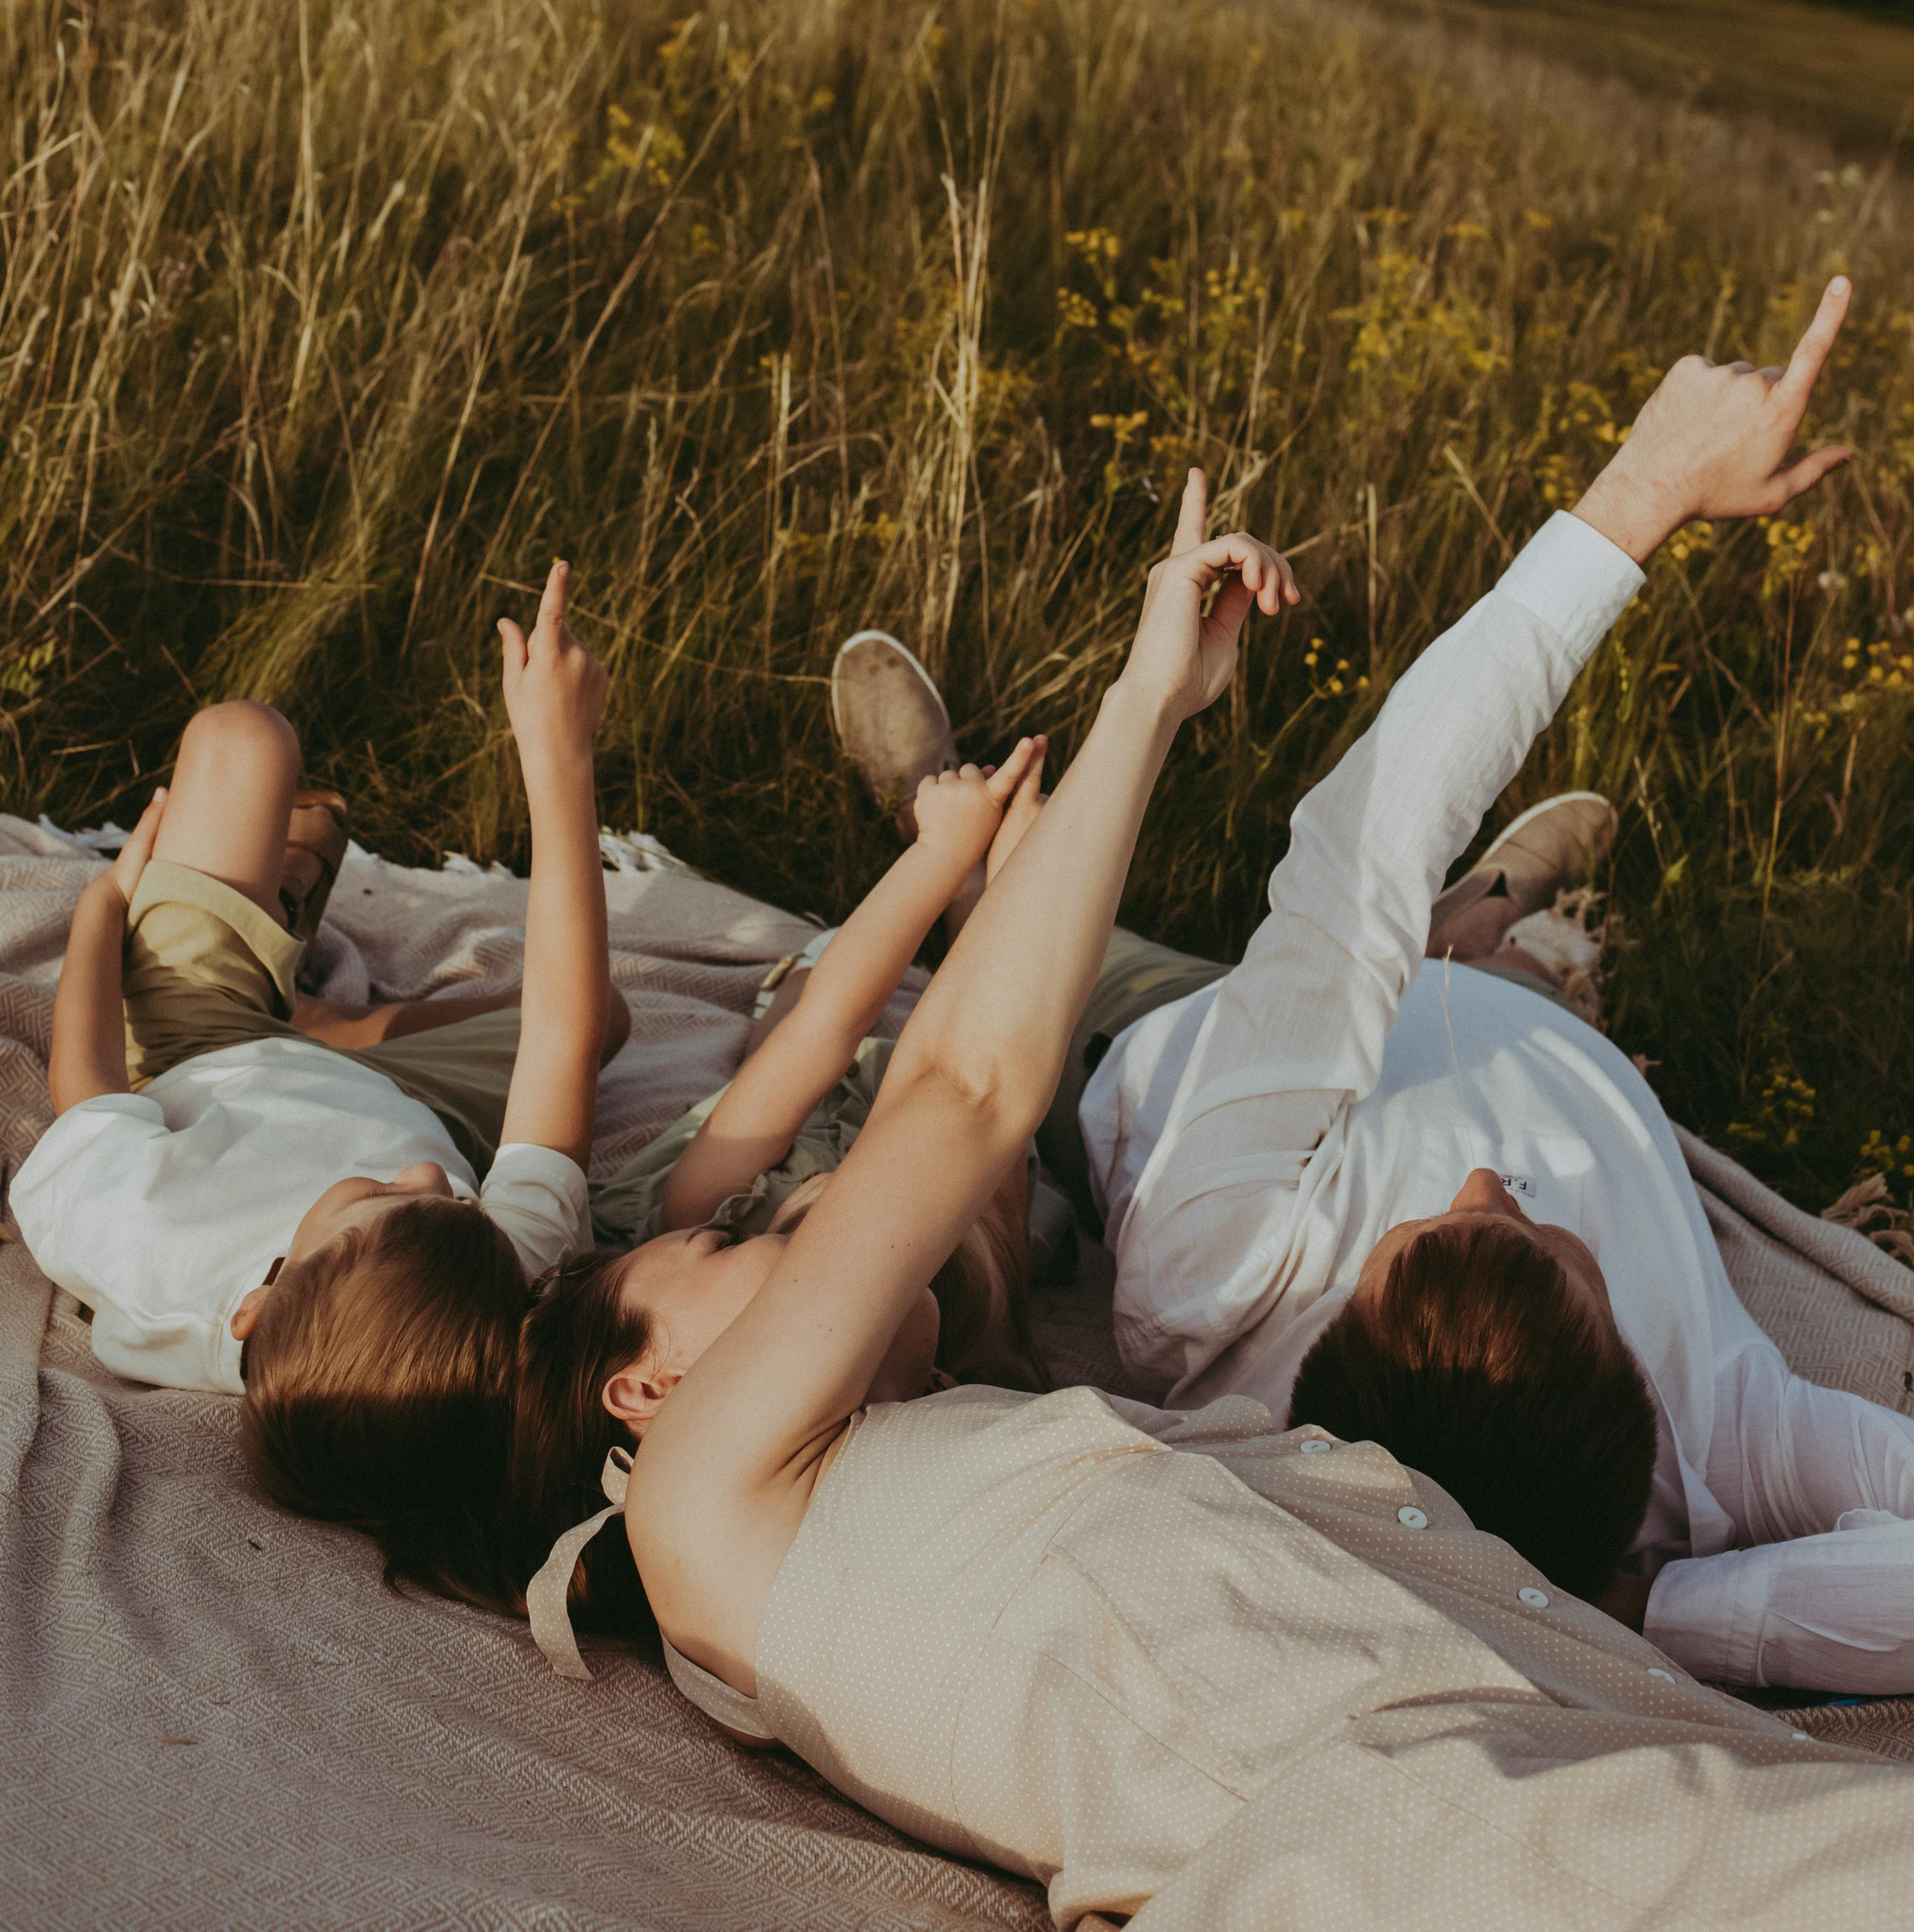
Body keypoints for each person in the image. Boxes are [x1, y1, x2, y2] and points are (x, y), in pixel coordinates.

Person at [521, 362, 1914, 1928]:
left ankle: (994, 844)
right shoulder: (705, 1494)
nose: (773, 1229)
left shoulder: (941, 1431)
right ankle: (1405, 914)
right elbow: (962, 1090)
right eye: (716, 1247)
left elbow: (975, 1098)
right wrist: (1146, 697)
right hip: (1397, 1815)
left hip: (1460, 1742)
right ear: (647, 1393)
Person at [1074, 277, 1914, 1694]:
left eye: (1427, 1239)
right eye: (1534, 1241)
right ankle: (1502, 926)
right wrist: (1679, 1612)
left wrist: (1640, 492)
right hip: (1497, 1025)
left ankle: (946, 835)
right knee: (1467, 961)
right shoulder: (1715, 1430)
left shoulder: (1208, 1290)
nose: (1480, 1181)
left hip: (1206, 1041)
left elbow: (1357, 855)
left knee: (1047, 940)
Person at [10, 559, 622, 1596]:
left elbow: (90, 1087)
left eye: (383, 1201)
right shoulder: (477, 1293)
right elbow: (563, 1035)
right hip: (407, 1091)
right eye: (454, 1207)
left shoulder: (157, 1255)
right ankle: (336, 1019)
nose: (430, 1183)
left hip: (214, 1052)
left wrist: (98, 920)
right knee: (605, 1017)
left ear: (252, 1309)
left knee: (243, 739)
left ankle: (297, 977)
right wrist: (558, 756)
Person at [510, 733, 1059, 1625]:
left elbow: (830, 1025)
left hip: (808, 1095)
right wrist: (1003, 895)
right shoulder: (970, 1320)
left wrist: (939, 851)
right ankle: (969, 880)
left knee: (795, 1021)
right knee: (1011, 1009)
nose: (746, 1238)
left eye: (716, 1248)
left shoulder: (704, 1208)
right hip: (948, 1082)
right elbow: (984, 1085)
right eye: (719, 1246)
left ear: (650, 1384)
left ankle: (933, 816)